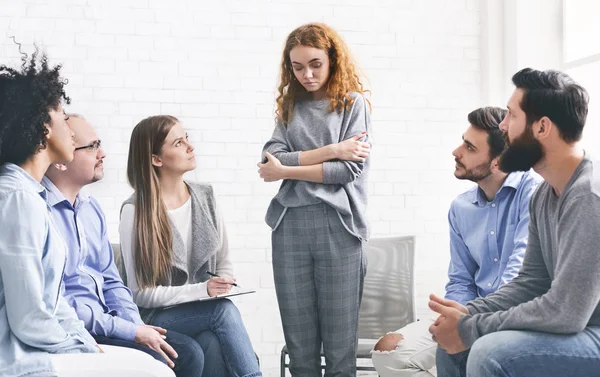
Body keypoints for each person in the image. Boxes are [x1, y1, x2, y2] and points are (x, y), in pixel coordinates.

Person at [0, 49, 173, 377]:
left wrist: (86, 343)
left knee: (154, 367)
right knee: (156, 372)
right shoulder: (16, 198)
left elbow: (54, 303)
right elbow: (29, 319)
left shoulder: (30, 196)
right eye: (63, 116)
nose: (69, 124)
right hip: (21, 358)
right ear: (44, 128)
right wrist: (82, 346)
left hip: (49, 346)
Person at [430, 68, 600, 377]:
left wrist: (471, 327)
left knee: (490, 352)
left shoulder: (589, 196)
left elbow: (567, 312)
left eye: (510, 116)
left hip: (592, 330)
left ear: (542, 127)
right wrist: (467, 311)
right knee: (452, 349)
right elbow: (531, 283)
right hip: (579, 325)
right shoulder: (545, 195)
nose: (503, 127)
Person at [371, 107, 541, 377]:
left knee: (470, 351)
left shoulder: (534, 195)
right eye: (463, 140)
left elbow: (520, 276)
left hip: (514, 317)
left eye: (470, 147)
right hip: (469, 311)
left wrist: (468, 323)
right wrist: (455, 318)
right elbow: (461, 279)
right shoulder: (461, 208)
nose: (456, 151)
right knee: (389, 352)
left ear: (499, 162)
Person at [258, 23, 371, 377]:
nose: (306, 74)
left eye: (315, 64)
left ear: (332, 60)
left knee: (340, 355)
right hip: (289, 226)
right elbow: (268, 160)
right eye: (297, 66)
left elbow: (346, 173)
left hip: (339, 227)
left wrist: (288, 169)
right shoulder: (289, 106)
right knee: (301, 354)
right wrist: (334, 150)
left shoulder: (353, 104)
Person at [119, 115, 262, 377]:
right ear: (156, 159)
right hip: (156, 317)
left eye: (187, 138)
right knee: (222, 312)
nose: (190, 147)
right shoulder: (135, 211)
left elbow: (223, 261)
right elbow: (139, 293)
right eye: (178, 143)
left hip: (201, 312)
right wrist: (202, 291)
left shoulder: (205, 195)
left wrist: (221, 284)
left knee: (210, 343)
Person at [43, 114, 182, 375]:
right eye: (92, 146)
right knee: (177, 357)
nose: (102, 154)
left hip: (110, 321)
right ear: (61, 159)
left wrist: (136, 325)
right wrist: (130, 331)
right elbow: (59, 304)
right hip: (79, 330)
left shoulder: (90, 208)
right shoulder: (38, 211)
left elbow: (111, 280)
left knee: (193, 350)